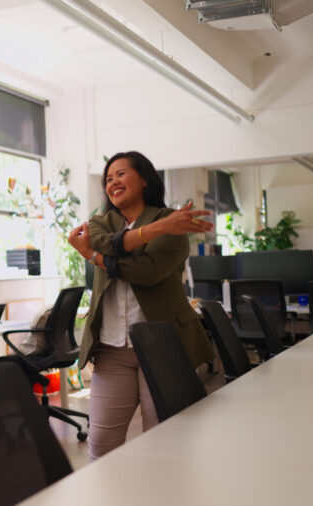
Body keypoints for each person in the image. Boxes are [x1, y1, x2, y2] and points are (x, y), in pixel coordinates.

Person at [67, 151, 213, 460]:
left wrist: (94, 258)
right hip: (111, 347)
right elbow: (104, 242)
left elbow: (148, 272)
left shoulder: (172, 223)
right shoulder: (99, 222)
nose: (113, 182)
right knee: (101, 444)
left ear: (144, 179)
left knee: (162, 439)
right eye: (108, 178)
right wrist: (151, 233)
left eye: (120, 174)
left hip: (162, 346)